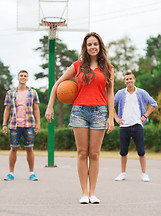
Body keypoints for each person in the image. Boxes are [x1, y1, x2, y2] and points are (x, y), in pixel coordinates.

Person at [45, 32, 114, 204]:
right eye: (89, 44)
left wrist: (110, 116)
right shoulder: (77, 66)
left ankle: (93, 193)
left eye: (95, 44)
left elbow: (110, 93)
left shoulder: (108, 68)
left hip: (100, 111)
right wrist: (49, 106)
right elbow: (56, 85)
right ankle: (84, 193)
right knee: (82, 153)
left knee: (95, 154)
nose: (92, 47)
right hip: (79, 112)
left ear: (100, 47)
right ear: (85, 47)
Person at [114, 72, 158, 182]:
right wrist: (116, 118)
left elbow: (153, 104)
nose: (129, 81)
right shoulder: (120, 93)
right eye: (126, 79)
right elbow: (110, 105)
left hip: (138, 126)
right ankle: (123, 173)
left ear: (134, 79)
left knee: (141, 151)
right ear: (124, 81)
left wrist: (145, 115)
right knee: (123, 152)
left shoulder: (141, 93)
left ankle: (144, 173)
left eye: (130, 78)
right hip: (124, 127)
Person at [2, 70, 41, 181]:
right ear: (18, 78)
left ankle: (32, 173)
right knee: (13, 148)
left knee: (30, 148)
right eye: (21, 76)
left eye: (25, 76)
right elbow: (7, 109)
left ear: (27, 78)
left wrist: (38, 123)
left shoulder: (33, 92)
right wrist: (4, 124)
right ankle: (11, 173)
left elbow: (36, 109)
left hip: (29, 124)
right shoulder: (10, 93)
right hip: (14, 125)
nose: (23, 77)